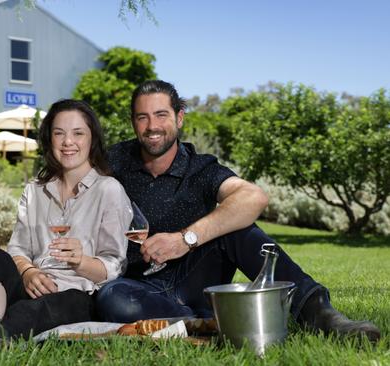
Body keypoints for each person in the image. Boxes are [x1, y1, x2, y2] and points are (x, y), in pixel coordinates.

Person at [95, 80, 381, 342]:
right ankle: (207, 323)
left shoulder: (201, 167)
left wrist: (185, 240)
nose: (151, 126)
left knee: (238, 227)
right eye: (142, 117)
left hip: (197, 279)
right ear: (133, 122)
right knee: (111, 297)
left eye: (161, 115)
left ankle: (318, 313)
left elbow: (253, 198)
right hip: (137, 287)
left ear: (179, 118)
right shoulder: (114, 161)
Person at [0, 99, 132, 351]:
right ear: (49, 139)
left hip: (77, 292)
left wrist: (80, 261)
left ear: (92, 139)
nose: (68, 142)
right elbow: (17, 250)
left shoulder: (109, 190)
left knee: (35, 311)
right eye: (59, 133)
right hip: (30, 282)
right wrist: (29, 273)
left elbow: (115, 265)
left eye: (78, 133)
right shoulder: (35, 191)